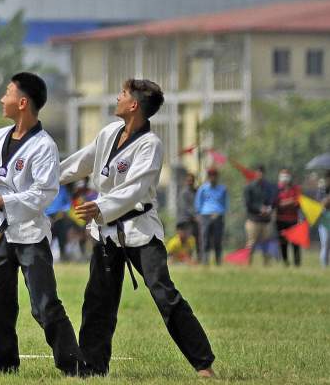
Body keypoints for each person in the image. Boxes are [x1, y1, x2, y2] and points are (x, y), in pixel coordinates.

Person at [60, 79, 215, 378]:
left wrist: (101, 207)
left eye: (122, 94)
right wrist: (44, 180)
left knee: (164, 293)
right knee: (98, 299)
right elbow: (78, 164)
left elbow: (136, 188)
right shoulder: (107, 134)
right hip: (106, 232)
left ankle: (203, 363)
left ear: (133, 105)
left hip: (140, 230)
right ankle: (92, 367)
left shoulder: (150, 145)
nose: (117, 97)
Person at [0, 73, 82, 375]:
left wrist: (3, 202)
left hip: (30, 233)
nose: (1, 99)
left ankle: (71, 363)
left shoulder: (44, 146)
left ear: (22, 102)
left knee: (44, 305)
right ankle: (6, 361)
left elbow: (45, 193)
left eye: (7, 93)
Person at [243, 165, 277, 266]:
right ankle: (248, 263)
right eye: (258, 172)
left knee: (266, 244)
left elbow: (273, 201)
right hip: (253, 220)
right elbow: (248, 203)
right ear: (255, 173)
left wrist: (269, 208)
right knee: (251, 243)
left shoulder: (269, 187)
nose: (260, 174)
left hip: (266, 220)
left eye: (262, 172)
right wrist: (259, 208)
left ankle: (266, 264)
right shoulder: (249, 187)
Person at [195, 167, 227, 266]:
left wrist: (220, 212)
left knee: (218, 239)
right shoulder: (203, 189)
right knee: (205, 238)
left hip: (218, 215)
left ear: (217, 177)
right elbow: (198, 202)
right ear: (208, 177)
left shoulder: (222, 189)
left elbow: (225, 204)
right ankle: (205, 261)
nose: (212, 178)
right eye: (210, 176)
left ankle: (218, 261)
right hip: (205, 215)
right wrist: (199, 214)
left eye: (214, 176)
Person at [275, 168, 302, 267]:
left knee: (295, 243)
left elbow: (298, 202)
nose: (285, 178)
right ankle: (285, 263)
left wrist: (286, 202)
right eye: (283, 176)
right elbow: (277, 204)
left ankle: (297, 264)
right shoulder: (277, 189)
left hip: (293, 220)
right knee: (283, 243)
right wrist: (290, 201)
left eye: (286, 176)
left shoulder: (296, 188)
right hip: (280, 220)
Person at [45, 184, 74, 262]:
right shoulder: (45, 186)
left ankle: (63, 258)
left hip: (60, 216)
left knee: (62, 238)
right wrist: (46, 216)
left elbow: (68, 203)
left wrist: (64, 210)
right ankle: (45, 259)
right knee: (48, 240)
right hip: (47, 217)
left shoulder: (63, 188)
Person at [176, 173, 200, 259]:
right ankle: (187, 258)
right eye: (188, 180)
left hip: (195, 219)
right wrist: (195, 216)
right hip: (186, 220)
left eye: (192, 180)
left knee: (198, 239)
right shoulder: (183, 193)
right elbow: (185, 207)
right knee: (188, 240)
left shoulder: (197, 191)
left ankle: (199, 257)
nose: (190, 182)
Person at [318, 174, 330, 268]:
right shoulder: (321, 191)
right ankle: (324, 266)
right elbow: (320, 205)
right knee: (325, 243)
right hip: (324, 221)